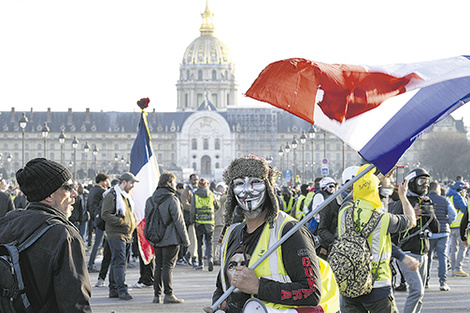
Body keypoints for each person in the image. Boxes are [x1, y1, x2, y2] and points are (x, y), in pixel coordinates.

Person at [204, 155, 326, 313]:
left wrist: (258, 286)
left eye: (255, 182)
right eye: (240, 183)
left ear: (269, 187)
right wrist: (220, 304)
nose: (247, 190)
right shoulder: (232, 232)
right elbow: (222, 285)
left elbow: (312, 292)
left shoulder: (289, 231)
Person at [0, 158, 92, 312]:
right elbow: (75, 304)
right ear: (49, 195)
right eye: (68, 187)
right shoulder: (65, 235)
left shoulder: (8, 222)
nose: (75, 193)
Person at [338, 164, 416, 313]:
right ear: (375, 191)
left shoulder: (344, 211)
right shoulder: (383, 218)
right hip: (377, 285)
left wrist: (374, 179)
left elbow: (353, 195)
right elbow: (411, 220)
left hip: (349, 284)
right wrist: (403, 195)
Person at [390, 168, 439, 313]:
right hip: (407, 252)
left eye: (427, 182)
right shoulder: (403, 203)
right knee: (417, 290)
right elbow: (394, 231)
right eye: (421, 181)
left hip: (424, 253)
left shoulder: (425, 202)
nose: (425, 185)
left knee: (420, 293)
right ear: (411, 183)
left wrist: (430, 212)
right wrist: (412, 219)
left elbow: (436, 228)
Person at [145, 172, 189, 304]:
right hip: (171, 238)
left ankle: (156, 295)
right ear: (168, 183)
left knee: (158, 266)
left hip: (156, 238)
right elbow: (179, 221)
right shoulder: (172, 199)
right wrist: (186, 240)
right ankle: (168, 294)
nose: (175, 185)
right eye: (174, 182)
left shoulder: (150, 199)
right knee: (168, 266)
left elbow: (147, 219)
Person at [101, 172, 138, 300]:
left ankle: (113, 289)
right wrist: (122, 222)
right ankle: (122, 289)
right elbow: (105, 214)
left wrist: (132, 222)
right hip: (116, 233)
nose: (133, 185)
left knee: (118, 262)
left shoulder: (125, 196)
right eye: (131, 183)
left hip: (126, 233)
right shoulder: (112, 195)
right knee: (120, 262)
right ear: (124, 182)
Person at [426, 181, 456, 291]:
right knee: (442, 257)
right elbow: (453, 214)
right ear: (438, 189)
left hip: (429, 233)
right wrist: (447, 222)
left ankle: (426, 281)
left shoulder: (425, 199)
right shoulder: (445, 200)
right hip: (443, 232)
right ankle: (443, 282)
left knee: (427, 257)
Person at [190, 177, 219, 271]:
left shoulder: (195, 195)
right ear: (207, 185)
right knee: (209, 242)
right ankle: (210, 259)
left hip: (199, 222)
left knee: (200, 244)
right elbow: (217, 206)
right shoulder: (211, 194)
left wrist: (192, 220)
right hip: (210, 222)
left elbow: (192, 209)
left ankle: (201, 263)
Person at [87, 172, 111, 272]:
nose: (107, 183)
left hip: (94, 219)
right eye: (106, 181)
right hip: (100, 220)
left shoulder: (92, 190)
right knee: (98, 243)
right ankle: (90, 264)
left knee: (99, 243)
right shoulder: (102, 191)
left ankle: (91, 263)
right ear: (102, 181)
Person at [447, 181, 469, 277]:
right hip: (459, 225)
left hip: (451, 226)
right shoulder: (458, 196)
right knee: (463, 247)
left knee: (453, 249)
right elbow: (465, 210)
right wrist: (465, 199)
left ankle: (453, 269)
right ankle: (458, 268)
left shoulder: (449, 196)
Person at [180, 173, 199, 267]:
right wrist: (195, 209)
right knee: (193, 238)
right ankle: (193, 257)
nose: (196, 181)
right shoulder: (187, 191)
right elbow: (184, 204)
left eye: (197, 179)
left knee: (197, 240)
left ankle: (188, 254)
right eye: (194, 180)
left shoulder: (198, 190)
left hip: (200, 218)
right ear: (190, 180)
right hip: (191, 219)